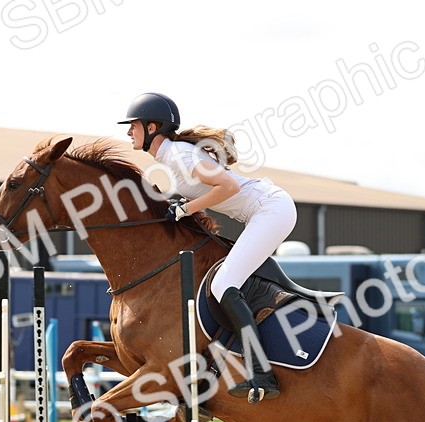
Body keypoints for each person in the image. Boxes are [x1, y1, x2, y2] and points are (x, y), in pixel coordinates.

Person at [119, 92, 297, 404]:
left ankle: (261, 372)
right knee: (224, 281)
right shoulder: (171, 157)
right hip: (261, 212)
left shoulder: (179, 156)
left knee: (224, 283)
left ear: (151, 128)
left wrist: (186, 209)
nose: (128, 132)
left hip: (270, 209)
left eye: (132, 125)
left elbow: (229, 187)